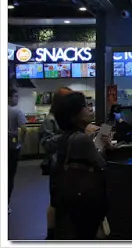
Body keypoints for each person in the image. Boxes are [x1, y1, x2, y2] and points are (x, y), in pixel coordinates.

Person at [52, 91, 110, 240]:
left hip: (69, 198)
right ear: (74, 115)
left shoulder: (65, 137)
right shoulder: (82, 139)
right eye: (84, 106)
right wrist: (104, 146)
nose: (90, 108)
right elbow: (101, 165)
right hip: (85, 201)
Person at [39, 87, 72, 239]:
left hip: (67, 166)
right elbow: (46, 145)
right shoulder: (50, 120)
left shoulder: (69, 119)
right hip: (57, 166)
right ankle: (51, 234)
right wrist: (66, 135)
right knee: (55, 201)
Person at [8, 88, 26, 214]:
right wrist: (21, 143)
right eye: (16, 96)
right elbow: (24, 129)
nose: (17, 99)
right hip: (11, 145)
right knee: (9, 175)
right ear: (9, 98)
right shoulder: (16, 111)